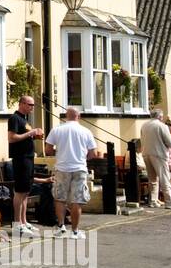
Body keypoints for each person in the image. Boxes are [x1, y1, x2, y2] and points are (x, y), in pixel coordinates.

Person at [43, 106, 101, 239]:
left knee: (59, 198)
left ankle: (61, 227)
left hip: (62, 168)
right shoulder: (86, 131)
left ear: (65, 116)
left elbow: (48, 150)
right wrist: (83, 156)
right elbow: (94, 153)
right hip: (79, 168)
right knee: (77, 200)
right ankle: (75, 231)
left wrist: (60, 152)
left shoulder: (57, 130)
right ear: (78, 116)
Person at [7, 95, 44, 237]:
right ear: (21, 103)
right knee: (20, 191)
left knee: (26, 191)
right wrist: (31, 132)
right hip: (20, 158)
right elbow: (12, 138)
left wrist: (34, 136)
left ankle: (23, 221)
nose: (32, 107)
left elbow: (24, 136)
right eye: (30, 104)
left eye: (33, 105)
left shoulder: (25, 120)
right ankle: (17, 224)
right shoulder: (14, 118)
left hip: (28, 157)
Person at [140, 109, 171, 209]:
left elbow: (142, 139)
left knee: (152, 179)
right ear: (160, 117)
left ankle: (153, 201)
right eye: (162, 116)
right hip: (159, 154)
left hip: (146, 153)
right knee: (165, 178)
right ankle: (169, 202)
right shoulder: (162, 126)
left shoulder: (144, 125)